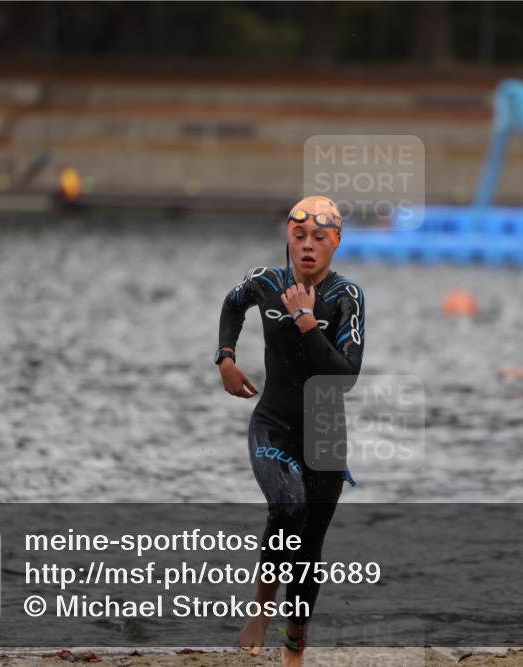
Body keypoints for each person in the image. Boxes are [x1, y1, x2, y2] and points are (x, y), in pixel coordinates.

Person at [216, 195, 365, 666]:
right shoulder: (266, 282)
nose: (307, 246)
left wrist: (305, 320)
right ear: (289, 238)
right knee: (287, 503)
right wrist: (225, 357)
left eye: (319, 238)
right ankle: (261, 608)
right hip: (273, 423)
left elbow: (344, 376)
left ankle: (293, 654)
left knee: (308, 550)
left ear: (335, 243)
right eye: (299, 236)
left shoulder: (347, 298)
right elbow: (232, 303)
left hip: (325, 433)